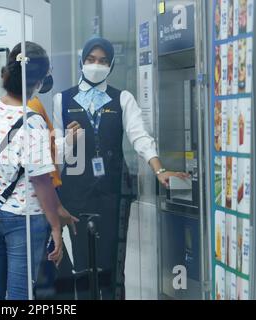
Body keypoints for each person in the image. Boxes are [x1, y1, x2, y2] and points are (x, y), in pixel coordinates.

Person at [53, 37, 189, 300]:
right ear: (82, 61)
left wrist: (160, 170)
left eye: (103, 61)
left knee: (113, 263)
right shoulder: (63, 99)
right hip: (74, 192)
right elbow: (56, 152)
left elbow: (140, 137)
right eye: (91, 59)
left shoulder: (122, 98)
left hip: (114, 191)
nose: (96, 65)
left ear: (111, 64)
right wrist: (68, 143)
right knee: (81, 263)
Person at [0, 41, 77, 300]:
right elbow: (41, 181)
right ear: (39, 81)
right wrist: (55, 226)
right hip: (22, 217)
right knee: (19, 293)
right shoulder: (33, 121)